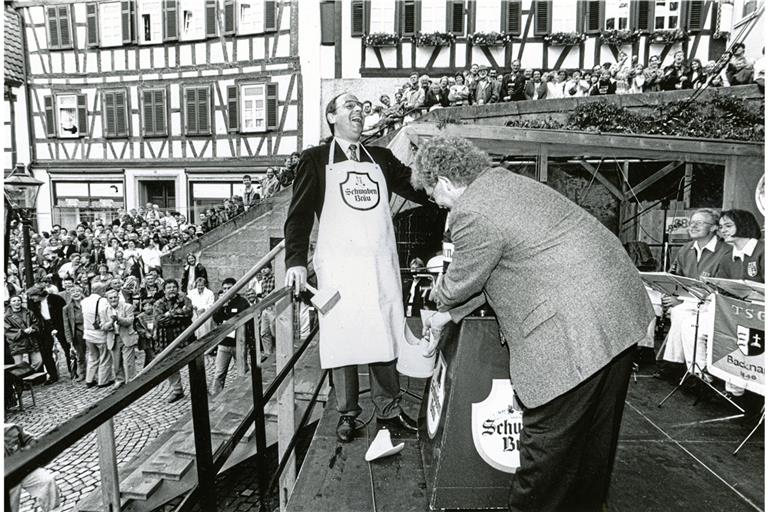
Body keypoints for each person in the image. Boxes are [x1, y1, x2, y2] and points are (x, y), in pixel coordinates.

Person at [413, 136, 655, 512]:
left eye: (434, 196)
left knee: (546, 452)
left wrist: (439, 299)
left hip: (574, 331)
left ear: (444, 182)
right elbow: (506, 267)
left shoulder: (471, 211)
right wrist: (451, 316)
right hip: (618, 315)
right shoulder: (507, 184)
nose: (439, 205)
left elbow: (461, 282)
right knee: (592, 447)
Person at [284, 92, 429, 443]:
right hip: (340, 268)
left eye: (361, 108)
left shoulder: (380, 157)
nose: (359, 111)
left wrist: (452, 191)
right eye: (349, 105)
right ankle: (347, 414)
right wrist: (296, 262)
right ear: (331, 117)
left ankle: (389, 410)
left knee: (382, 333)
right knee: (344, 338)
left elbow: (417, 186)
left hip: (379, 265)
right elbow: (299, 215)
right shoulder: (316, 160)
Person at [659, 209, 731, 374]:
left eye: (699, 223)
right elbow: (674, 277)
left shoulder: (725, 251)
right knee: (679, 312)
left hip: (712, 303)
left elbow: (721, 289)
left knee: (680, 312)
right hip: (689, 301)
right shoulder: (686, 249)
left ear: (713, 228)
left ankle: (677, 364)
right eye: (691, 223)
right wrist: (673, 294)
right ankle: (681, 366)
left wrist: (683, 300)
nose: (693, 226)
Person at [5, 423, 61, 512]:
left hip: (21, 468)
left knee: (46, 481)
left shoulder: (10, 429)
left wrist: (33, 448)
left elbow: (30, 440)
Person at [153, 279, 193, 403]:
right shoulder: (158, 303)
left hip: (184, 335)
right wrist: (177, 316)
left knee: (193, 361)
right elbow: (160, 320)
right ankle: (177, 390)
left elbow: (189, 313)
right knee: (170, 365)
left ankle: (199, 387)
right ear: (164, 290)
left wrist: (170, 314)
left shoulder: (184, 299)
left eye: (174, 287)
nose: (172, 289)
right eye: (169, 287)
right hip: (166, 337)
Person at [211, 277, 251, 395]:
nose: (227, 291)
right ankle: (216, 396)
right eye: (224, 289)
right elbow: (216, 319)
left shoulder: (242, 302)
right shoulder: (221, 302)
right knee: (219, 372)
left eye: (229, 288)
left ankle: (245, 393)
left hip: (239, 343)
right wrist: (221, 306)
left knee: (243, 370)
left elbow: (245, 319)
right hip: (224, 342)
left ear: (236, 289)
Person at [26, 285, 70, 383]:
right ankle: (53, 375)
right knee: (46, 352)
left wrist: (57, 328)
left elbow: (63, 314)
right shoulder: (34, 304)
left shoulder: (56, 299)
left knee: (67, 348)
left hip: (60, 324)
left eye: (33, 297)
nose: (32, 299)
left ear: (38, 294)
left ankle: (73, 371)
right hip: (44, 327)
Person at [105, 288, 138, 390]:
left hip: (126, 336)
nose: (113, 299)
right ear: (107, 299)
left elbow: (129, 321)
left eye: (115, 297)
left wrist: (118, 319)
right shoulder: (104, 310)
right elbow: (103, 326)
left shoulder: (127, 307)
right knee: (116, 363)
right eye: (111, 298)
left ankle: (131, 382)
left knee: (128, 362)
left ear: (118, 298)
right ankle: (120, 380)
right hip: (113, 337)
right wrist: (110, 323)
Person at [82, 287, 114, 388]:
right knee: (105, 357)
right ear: (102, 291)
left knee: (92, 357)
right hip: (99, 334)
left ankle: (89, 380)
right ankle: (103, 381)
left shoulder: (84, 301)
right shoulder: (103, 301)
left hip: (87, 334)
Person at [4, 295, 43, 369]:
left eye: (18, 300)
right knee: (19, 366)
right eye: (14, 301)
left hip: (31, 341)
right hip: (17, 343)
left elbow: (36, 323)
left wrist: (33, 328)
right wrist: (23, 331)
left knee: (38, 361)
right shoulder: (6, 316)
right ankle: (22, 379)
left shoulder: (28, 312)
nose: (17, 302)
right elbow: (7, 330)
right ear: (10, 303)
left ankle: (29, 375)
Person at [63, 284, 87, 382]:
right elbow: (66, 325)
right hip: (78, 333)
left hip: (90, 330)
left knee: (93, 354)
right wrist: (70, 341)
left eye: (78, 291)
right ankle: (82, 374)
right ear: (70, 294)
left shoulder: (87, 304)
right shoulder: (66, 308)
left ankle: (94, 373)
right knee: (80, 355)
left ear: (81, 293)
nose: (76, 294)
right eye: (73, 292)